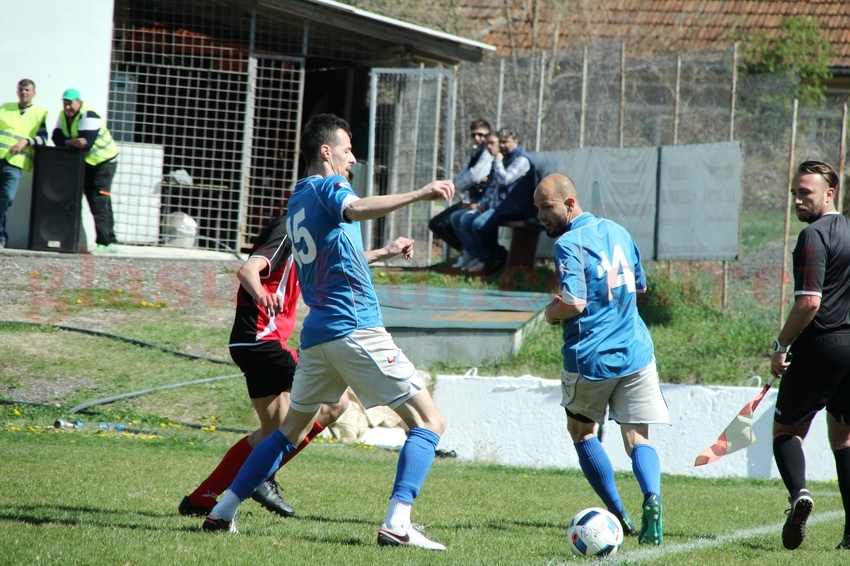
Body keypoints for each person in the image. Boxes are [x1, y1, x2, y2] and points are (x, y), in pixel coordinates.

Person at [202, 114, 454, 551]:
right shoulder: (327, 186)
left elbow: (337, 256)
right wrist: (420, 193)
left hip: (319, 334)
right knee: (430, 421)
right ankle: (398, 522)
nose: (352, 159)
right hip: (354, 326)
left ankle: (222, 511)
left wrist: (385, 251)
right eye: (347, 149)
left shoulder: (298, 199)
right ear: (326, 151)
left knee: (288, 431)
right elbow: (355, 208)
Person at [178, 214, 349, 519]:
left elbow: (338, 263)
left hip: (252, 344)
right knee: (335, 402)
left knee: (273, 431)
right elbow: (247, 270)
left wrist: (385, 252)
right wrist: (261, 295)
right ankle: (260, 477)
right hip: (262, 342)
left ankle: (201, 499)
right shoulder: (288, 229)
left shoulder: (308, 238)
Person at [534, 172, 669, 546]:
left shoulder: (568, 243)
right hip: (636, 351)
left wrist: (550, 313)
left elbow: (574, 302)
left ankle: (619, 514)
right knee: (638, 437)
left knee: (582, 432)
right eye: (537, 208)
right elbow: (640, 288)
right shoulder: (618, 231)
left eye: (547, 207)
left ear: (569, 204)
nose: (541, 216)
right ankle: (652, 498)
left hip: (591, 357)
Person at [770, 160, 850, 552]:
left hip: (821, 344)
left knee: (786, 431)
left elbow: (809, 302)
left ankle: (799, 494)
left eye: (806, 192)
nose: (798, 200)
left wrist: (781, 345)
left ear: (830, 193)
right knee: (844, 436)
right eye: (795, 193)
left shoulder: (813, 236)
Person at [51, 88, 119, 254]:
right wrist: (70, 142)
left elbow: (85, 143)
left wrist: (69, 141)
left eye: (70, 103)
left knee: (99, 200)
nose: (67, 107)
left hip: (103, 162)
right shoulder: (63, 115)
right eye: (65, 103)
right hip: (87, 163)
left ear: (79, 102)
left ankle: (106, 243)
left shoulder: (89, 115)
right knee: (95, 200)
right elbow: (56, 137)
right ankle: (108, 240)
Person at [470, 128, 536, 275]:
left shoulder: (522, 159)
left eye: (506, 142)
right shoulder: (506, 158)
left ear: (516, 142)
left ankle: (496, 257)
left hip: (518, 208)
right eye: (500, 142)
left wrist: (498, 161)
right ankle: (490, 258)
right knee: (469, 221)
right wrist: (485, 202)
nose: (502, 145)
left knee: (480, 225)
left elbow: (504, 180)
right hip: (504, 206)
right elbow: (493, 185)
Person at [428, 119, 493, 268]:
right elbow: (461, 179)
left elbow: (474, 176)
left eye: (481, 135)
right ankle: (467, 253)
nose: (477, 138)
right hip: (469, 198)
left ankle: (474, 255)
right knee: (436, 223)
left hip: (480, 199)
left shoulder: (488, 154)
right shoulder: (475, 154)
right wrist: (468, 181)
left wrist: (469, 180)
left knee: (450, 221)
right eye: (474, 135)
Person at [0, 79, 48, 248]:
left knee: (6, 197)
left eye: (27, 90)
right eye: (21, 89)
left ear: (33, 93)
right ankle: (1, 237)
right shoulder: (6, 107)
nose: (24, 92)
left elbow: (43, 139)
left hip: (14, 163)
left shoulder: (40, 113)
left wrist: (26, 142)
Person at [451, 131, 500, 272]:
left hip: (500, 207)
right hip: (484, 203)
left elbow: (503, 183)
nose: (488, 146)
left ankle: (486, 259)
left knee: (472, 222)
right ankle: (473, 255)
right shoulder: (480, 157)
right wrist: (479, 204)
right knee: (454, 218)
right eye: (487, 143)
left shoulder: (498, 161)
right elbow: (488, 188)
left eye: (492, 143)